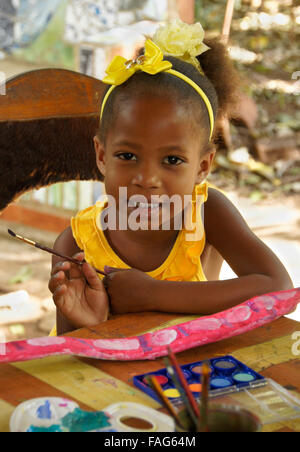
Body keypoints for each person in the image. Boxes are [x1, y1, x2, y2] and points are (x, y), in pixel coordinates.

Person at [48, 20, 293, 336]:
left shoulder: (206, 213)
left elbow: (279, 291)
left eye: (172, 160)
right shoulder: (74, 245)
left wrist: (153, 295)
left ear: (202, 168)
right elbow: (69, 358)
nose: (147, 178)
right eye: (127, 156)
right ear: (101, 156)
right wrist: (92, 324)